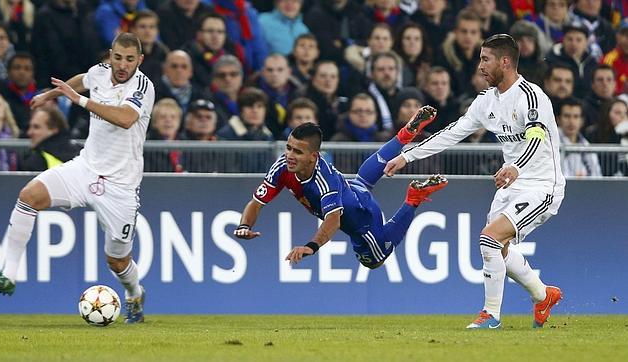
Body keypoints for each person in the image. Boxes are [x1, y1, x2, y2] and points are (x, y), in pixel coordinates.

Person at [385, 34, 565, 329]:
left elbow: (537, 136)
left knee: (490, 238)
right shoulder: (486, 102)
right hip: (513, 182)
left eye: (486, 59)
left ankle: (490, 315)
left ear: (505, 62)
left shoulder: (531, 97)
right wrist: (407, 157)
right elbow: (451, 133)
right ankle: (543, 295)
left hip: (542, 185)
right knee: (496, 248)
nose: (480, 65)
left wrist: (516, 167)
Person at [0, 33, 154, 325]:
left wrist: (79, 101)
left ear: (139, 60)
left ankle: (135, 294)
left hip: (121, 186)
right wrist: (52, 95)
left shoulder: (142, 86)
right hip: (85, 168)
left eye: (129, 59)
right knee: (29, 195)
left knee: (117, 260)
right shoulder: (100, 72)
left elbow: (125, 119)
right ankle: (8, 275)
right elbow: (83, 79)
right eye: (117, 57)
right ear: (110, 55)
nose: (122, 65)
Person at [234, 107, 448, 270]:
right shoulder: (283, 165)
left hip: (361, 216)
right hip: (353, 188)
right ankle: (404, 135)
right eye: (288, 148)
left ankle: (413, 198)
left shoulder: (323, 180)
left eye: (297, 152)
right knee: (363, 180)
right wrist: (244, 225)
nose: (290, 155)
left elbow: (333, 221)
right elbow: (257, 202)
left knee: (374, 261)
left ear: (313, 157)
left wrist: (311, 246)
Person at [19, 106, 81, 171]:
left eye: (36, 127)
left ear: (54, 129)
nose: (29, 132)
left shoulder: (36, 159)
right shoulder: (82, 151)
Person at [556, 97, 602, 177]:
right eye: (567, 116)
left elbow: (597, 176)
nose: (571, 121)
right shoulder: (551, 143)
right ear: (558, 119)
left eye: (576, 116)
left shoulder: (586, 145)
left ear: (582, 121)